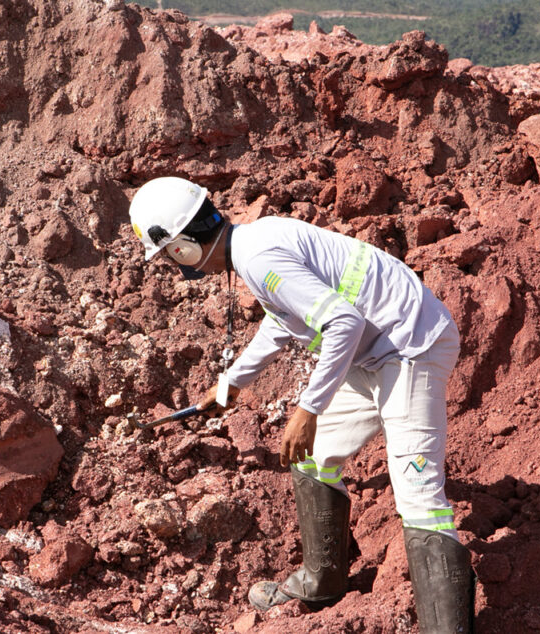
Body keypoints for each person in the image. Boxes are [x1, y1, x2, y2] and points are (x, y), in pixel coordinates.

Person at [128, 176, 474, 633]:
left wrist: (308, 409)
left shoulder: (258, 257)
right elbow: (284, 321)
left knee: (418, 495)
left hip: (412, 348)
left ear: (183, 248)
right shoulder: (252, 245)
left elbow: (343, 322)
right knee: (311, 457)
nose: (175, 265)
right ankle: (322, 583)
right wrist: (231, 384)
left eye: (170, 256)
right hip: (374, 355)